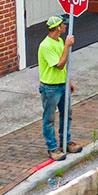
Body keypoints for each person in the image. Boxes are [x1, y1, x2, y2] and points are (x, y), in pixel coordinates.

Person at [38, 14, 74, 158]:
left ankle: (66, 141)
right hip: (50, 88)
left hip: (62, 85)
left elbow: (64, 65)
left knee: (67, 114)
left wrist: (68, 81)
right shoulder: (46, 45)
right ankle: (52, 147)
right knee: (49, 119)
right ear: (58, 27)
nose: (65, 26)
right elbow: (59, 65)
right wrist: (66, 46)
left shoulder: (59, 41)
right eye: (63, 24)